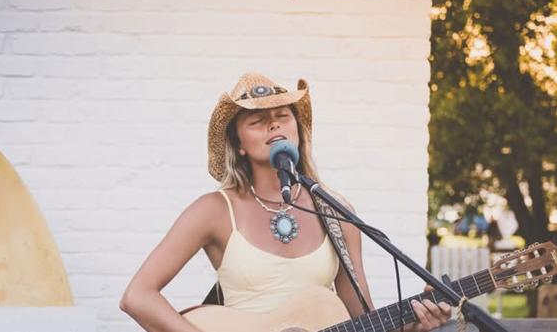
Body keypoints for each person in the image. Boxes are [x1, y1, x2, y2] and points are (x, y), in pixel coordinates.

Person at [120, 72, 451, 331]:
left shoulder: (336, 212)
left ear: (297, 131)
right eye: (257, 120)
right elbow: (138, 296)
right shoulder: (215, 210)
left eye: (282, 115)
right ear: (240, 145)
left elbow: (362, 322)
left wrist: (413, 325)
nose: (274, 123)